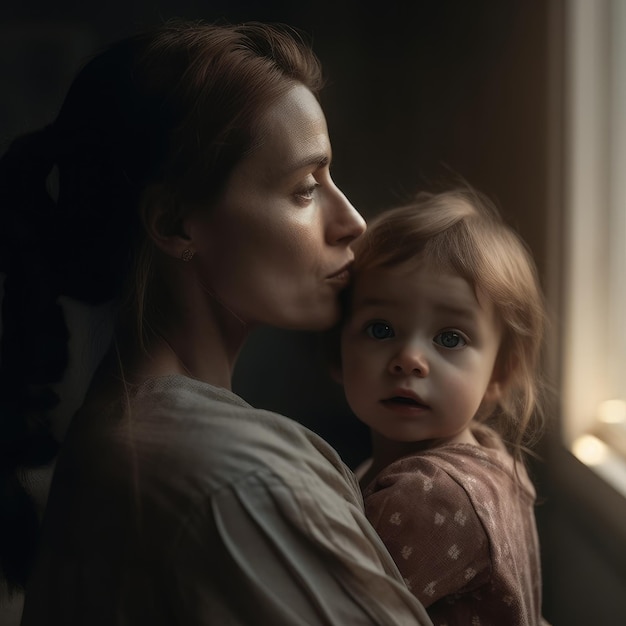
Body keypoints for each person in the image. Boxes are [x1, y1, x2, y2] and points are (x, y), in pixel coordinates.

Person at [0, 19, 434, 625]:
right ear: (177, 225)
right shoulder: (239, 482)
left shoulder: (117, 429)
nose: (354, 221)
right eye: (306, 188)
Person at [334, 188, 549, 625]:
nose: (409, 359)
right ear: (337, 348)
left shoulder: (433, 496)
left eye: (449, 338)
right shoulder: (488, 457)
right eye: (380, 328)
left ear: (499, 375)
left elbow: (321, 609)